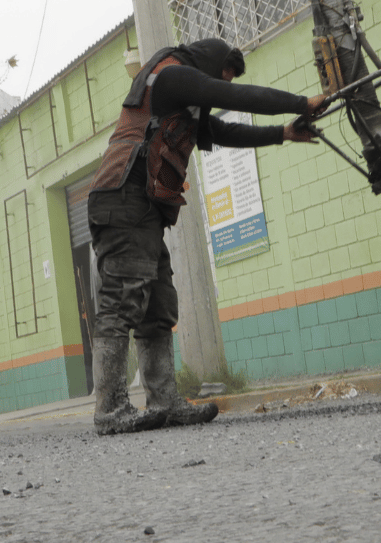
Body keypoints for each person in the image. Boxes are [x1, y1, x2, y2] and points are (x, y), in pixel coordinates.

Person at [86, 38, 325, 435]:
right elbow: (233, 96)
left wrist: (283, 132)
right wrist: (302, 102)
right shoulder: (173, 77)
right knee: (123, 300)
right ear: (208, 67)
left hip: (140, 206)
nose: (216, 85)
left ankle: (164, 401)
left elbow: (223, 131)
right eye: (219, 76)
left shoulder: (182, 106)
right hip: (123, 194)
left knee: (157, 304)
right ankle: (109, 409)